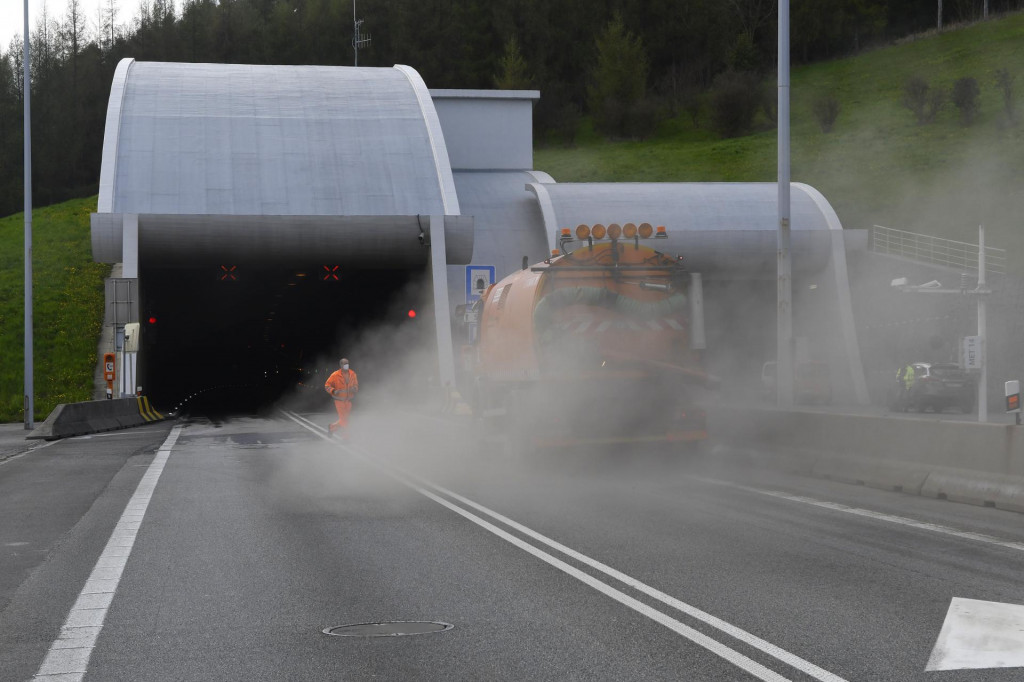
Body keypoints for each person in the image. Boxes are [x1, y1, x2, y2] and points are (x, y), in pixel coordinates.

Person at [324, 358, 358, 438]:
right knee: (344, 420)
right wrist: (333, 391)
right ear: (341, 365)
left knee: (345, 419)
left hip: (348, 401)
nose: (347, 365)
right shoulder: (335, 375)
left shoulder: (353, 374)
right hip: (339, 401)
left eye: (347, 363)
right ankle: (346, 437)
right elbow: (327, 385)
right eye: (345, 364)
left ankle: (332, 427)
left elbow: (356, 385)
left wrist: (354, 389)